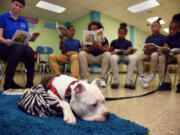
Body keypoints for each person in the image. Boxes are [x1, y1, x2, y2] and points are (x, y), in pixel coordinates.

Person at [0, 0, 35, 90]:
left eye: (21, 7)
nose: (18, 8)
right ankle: (8, 82)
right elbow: (0, 37)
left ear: (22, 8)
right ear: (12, 4)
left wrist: (27, 41)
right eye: (16, 5)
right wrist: (5, 41)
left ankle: (29, 83)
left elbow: (26, 37)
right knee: (18, 48)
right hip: (5, 48)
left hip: (19, 49)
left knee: (30, 50)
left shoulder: (24, 21)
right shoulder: (3, 17)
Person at [79, 21, 111, 87]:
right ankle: (85, 79)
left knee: (107, 54)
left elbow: (107, 49)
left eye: (96, 29)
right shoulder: (86, 38)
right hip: (90, 57)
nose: (94, 30)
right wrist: (91, 47)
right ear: (89, 30)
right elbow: (83, 49)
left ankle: (103, 80)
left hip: (100, 58)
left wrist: (101, 47)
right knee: (81, 53)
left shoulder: (104, 39)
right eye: (92, 29)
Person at [137, 18, 166, 88]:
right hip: (148, 54)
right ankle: (141, 77)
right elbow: (145, 49)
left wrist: (159, 50)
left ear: (160, 27)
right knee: (137, 57)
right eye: (152, 26)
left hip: (158, 55)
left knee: (154, 55)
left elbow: (164, 49)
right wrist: (145, 49)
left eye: (155, 26)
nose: (153, 28)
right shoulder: (148, 38)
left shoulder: (164, 37)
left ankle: (151, 75)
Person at [110, 23, 137, 89]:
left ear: (126, 34)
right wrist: (112, 52)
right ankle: (116, 82)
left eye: (123, 33)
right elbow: (110, 52)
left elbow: (131, 51)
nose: (121, 34)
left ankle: (128, 82)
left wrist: (129, 51)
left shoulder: (128, 42)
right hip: (117, 56)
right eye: (119, 32)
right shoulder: (113, 42)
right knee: (113, 58)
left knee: (133, 58)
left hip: (125, 56)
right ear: (118, 32)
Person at [158, 13, 180, 92]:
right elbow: (166, 45)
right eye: (170, 28)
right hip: (170, 55)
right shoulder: (166, 38)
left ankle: (179, 83)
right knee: (161, 57)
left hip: (178, 55)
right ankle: (166, 82)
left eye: (174, 29)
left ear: (178, 29)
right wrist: (166, 48)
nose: (171, 31)